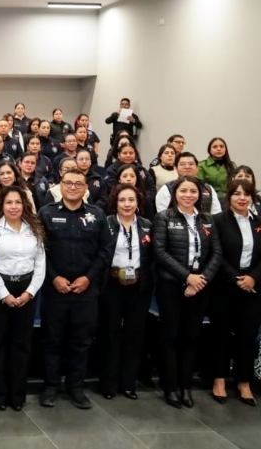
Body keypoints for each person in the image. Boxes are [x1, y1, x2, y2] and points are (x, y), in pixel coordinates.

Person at [37, 169, 114, 410]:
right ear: (60, 186)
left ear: (86, 188)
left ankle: (76, 388)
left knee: (81, 341)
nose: (72, 187)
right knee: (52, 340)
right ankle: (51, 386)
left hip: (86, 291)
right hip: (55, 290)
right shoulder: (46, 213)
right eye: (68, 183)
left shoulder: (97, 215)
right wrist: (54, 278)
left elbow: (106, 251)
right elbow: (38, 251)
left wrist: (88, 278)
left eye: (78, 184)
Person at [152, 175, 221, 408]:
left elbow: (216, 253)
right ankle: (170, 387)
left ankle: (186, 386)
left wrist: (200, 280)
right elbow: (160, 252)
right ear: (175, 194)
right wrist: (187, 277)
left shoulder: (207, 219)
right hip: (171, 286)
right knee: (170, 336)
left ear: (199, 194)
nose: (188, 195)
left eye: (193, 191)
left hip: (200, 287)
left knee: (191, 337)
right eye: (183, 191)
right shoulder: (164, 217)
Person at [0, 185, 46, 411]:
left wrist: (30, 291)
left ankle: (17, 395)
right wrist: (4, 294)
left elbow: (40, 264)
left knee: (22, 344)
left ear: (24, 204)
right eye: (9, 202)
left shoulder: (34, 229)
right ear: (1, 205)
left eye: (18, 202)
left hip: (27, 289)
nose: (13, 206)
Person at [207, 179, 261, 406]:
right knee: (220, 333)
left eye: (246, 194)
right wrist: (235, 278)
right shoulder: (218, 221)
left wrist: (253, 277)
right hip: (224, 285)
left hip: (253, 285)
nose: (242, 198)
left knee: (247, 335)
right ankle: (218, 379)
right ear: (229, 197)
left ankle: (244, 381)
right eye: (237, 193)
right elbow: (215, 253)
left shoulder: (259, 221)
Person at [98, 184, 154, 400]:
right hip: (111, 286)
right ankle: (108, 383)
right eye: (122, 200)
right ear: (115, 202)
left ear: (138, 203)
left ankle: (128, 383)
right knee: (110, 334)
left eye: (131, 200)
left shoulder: (147, 225)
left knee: (134, 334)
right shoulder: (107, 224)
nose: (127, 204)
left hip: (139, 287)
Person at [155, 152, 222, 214]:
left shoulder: (207, 188)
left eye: (191, 164)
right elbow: (162, 215)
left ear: (197, 168)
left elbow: (216, 214)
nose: (187, 167)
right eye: (182, 164)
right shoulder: (167, 188)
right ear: (176, 168)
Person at [0, 162, 35, 229]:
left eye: (8, 173)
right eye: (2, 174)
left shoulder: (25, 192)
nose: (5, 176)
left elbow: (32, 216)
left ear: (15, 175)